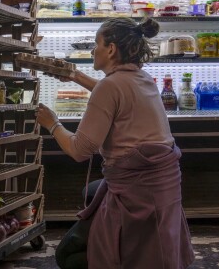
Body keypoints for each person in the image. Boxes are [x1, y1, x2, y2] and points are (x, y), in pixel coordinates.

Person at [36, 18, 194, 269]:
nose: (92, 51)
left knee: (67, 255)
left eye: (97, 44)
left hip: (138, 193)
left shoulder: (110, 87)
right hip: (164, 189)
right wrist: (75, 75)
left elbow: (80, 151)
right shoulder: (142, 78)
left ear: (110, 49)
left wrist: (52, 123)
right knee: (92, 191)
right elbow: (114, 91)